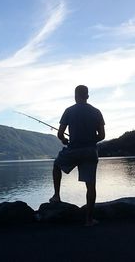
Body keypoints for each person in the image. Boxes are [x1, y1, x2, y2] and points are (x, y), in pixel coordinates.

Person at [49, 85, 105, 226]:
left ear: (75, 96)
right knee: (90, 185)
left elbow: (60, 134)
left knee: (56, 165)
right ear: (87, 96)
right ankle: (89, 220)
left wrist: (64, 140)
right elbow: (102, 135)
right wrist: (91, 139)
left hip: (74, 149)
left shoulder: (69, 111)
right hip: (90, 151)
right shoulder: (96, 112)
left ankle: (56, 196)